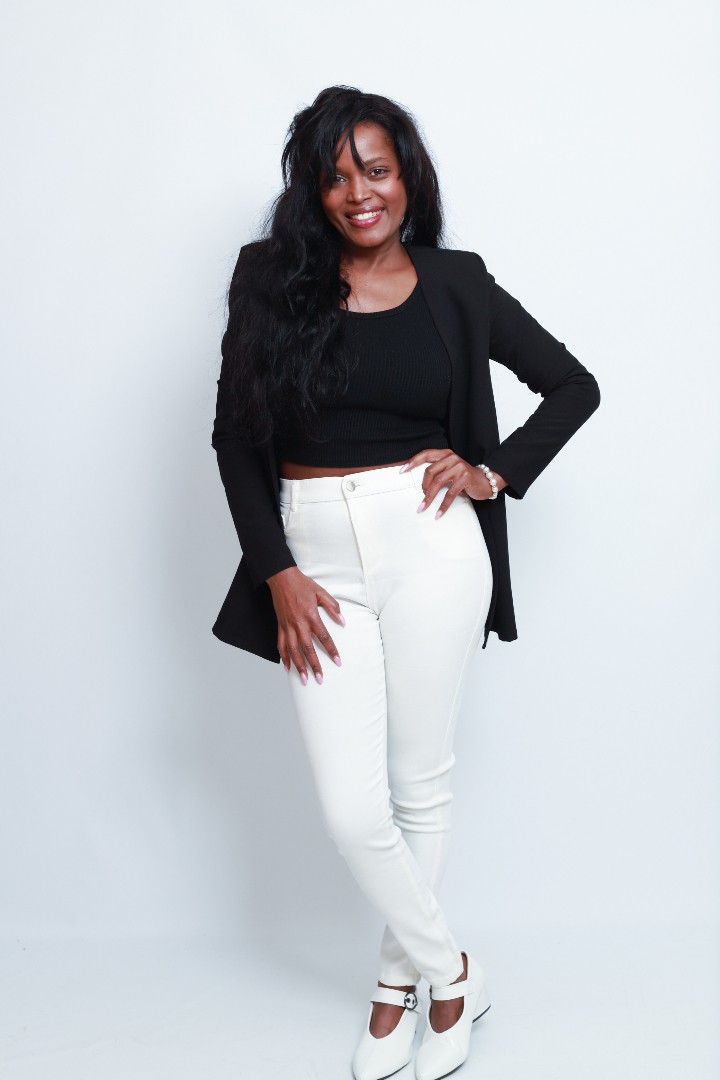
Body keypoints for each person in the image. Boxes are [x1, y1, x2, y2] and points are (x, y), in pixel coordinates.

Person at [211, 85, 600, 1080]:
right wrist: (277, 571)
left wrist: (493, 473)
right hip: (313, 555)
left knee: (419, 784)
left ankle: (397, 989)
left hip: (432, 541)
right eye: (336, 176)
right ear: (312, 190)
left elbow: (574, 385)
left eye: (376, 170)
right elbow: (236, 438)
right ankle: (453, 972)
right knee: (353, 810)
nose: (359, 193)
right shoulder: (268, 279)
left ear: (408, 177)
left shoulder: (457, 283)